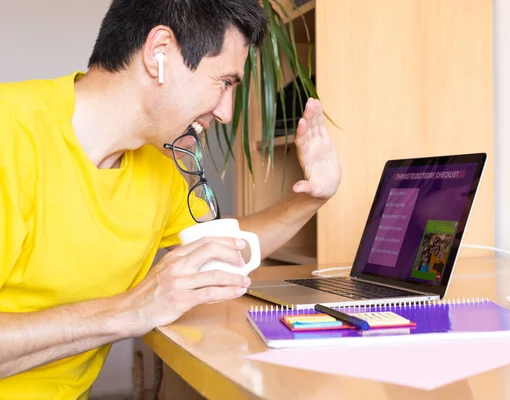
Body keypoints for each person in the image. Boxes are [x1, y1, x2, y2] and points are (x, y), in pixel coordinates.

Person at [0, 0, 341, 397]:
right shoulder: (10, 135)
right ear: (159, 53)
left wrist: (313, 198)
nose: (227, 112)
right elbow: (137, 308)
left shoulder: (160, 165)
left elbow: (225, 250)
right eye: (225, 82)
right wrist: (132, 309)